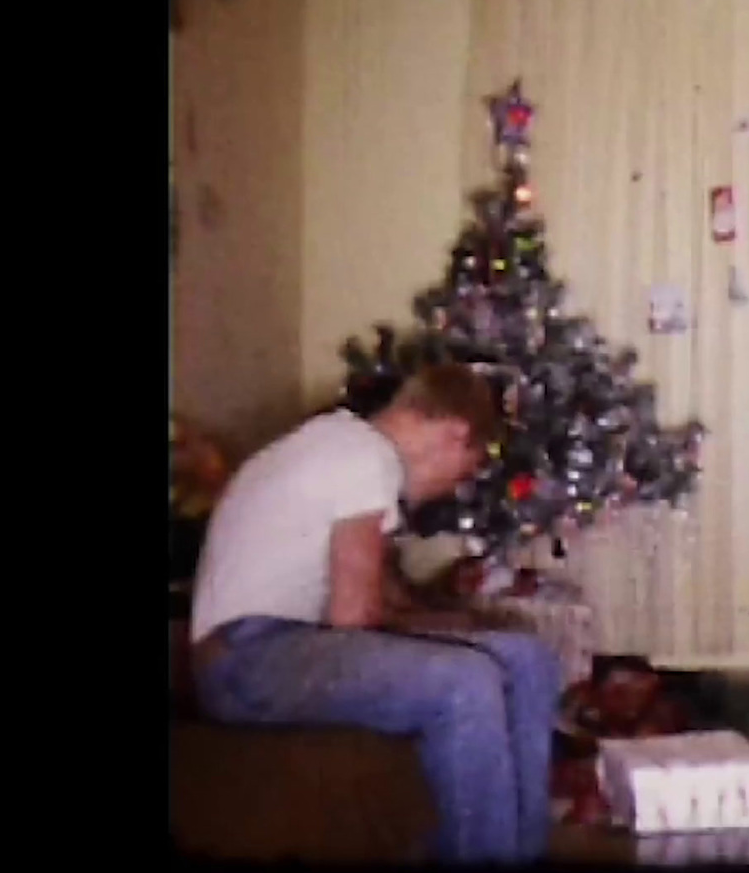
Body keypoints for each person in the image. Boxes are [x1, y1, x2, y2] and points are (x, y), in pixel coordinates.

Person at [188, 364, 562, 864]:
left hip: (282, 646)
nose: (454, 487)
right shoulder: (363, 455)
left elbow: (378, 604)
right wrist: (447, 637)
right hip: (243, 657)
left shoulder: (348, 448)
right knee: (462, 681)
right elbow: (355, 616)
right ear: (456, 435)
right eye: (467, 469)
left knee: (525, 657)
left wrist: (451, 625)